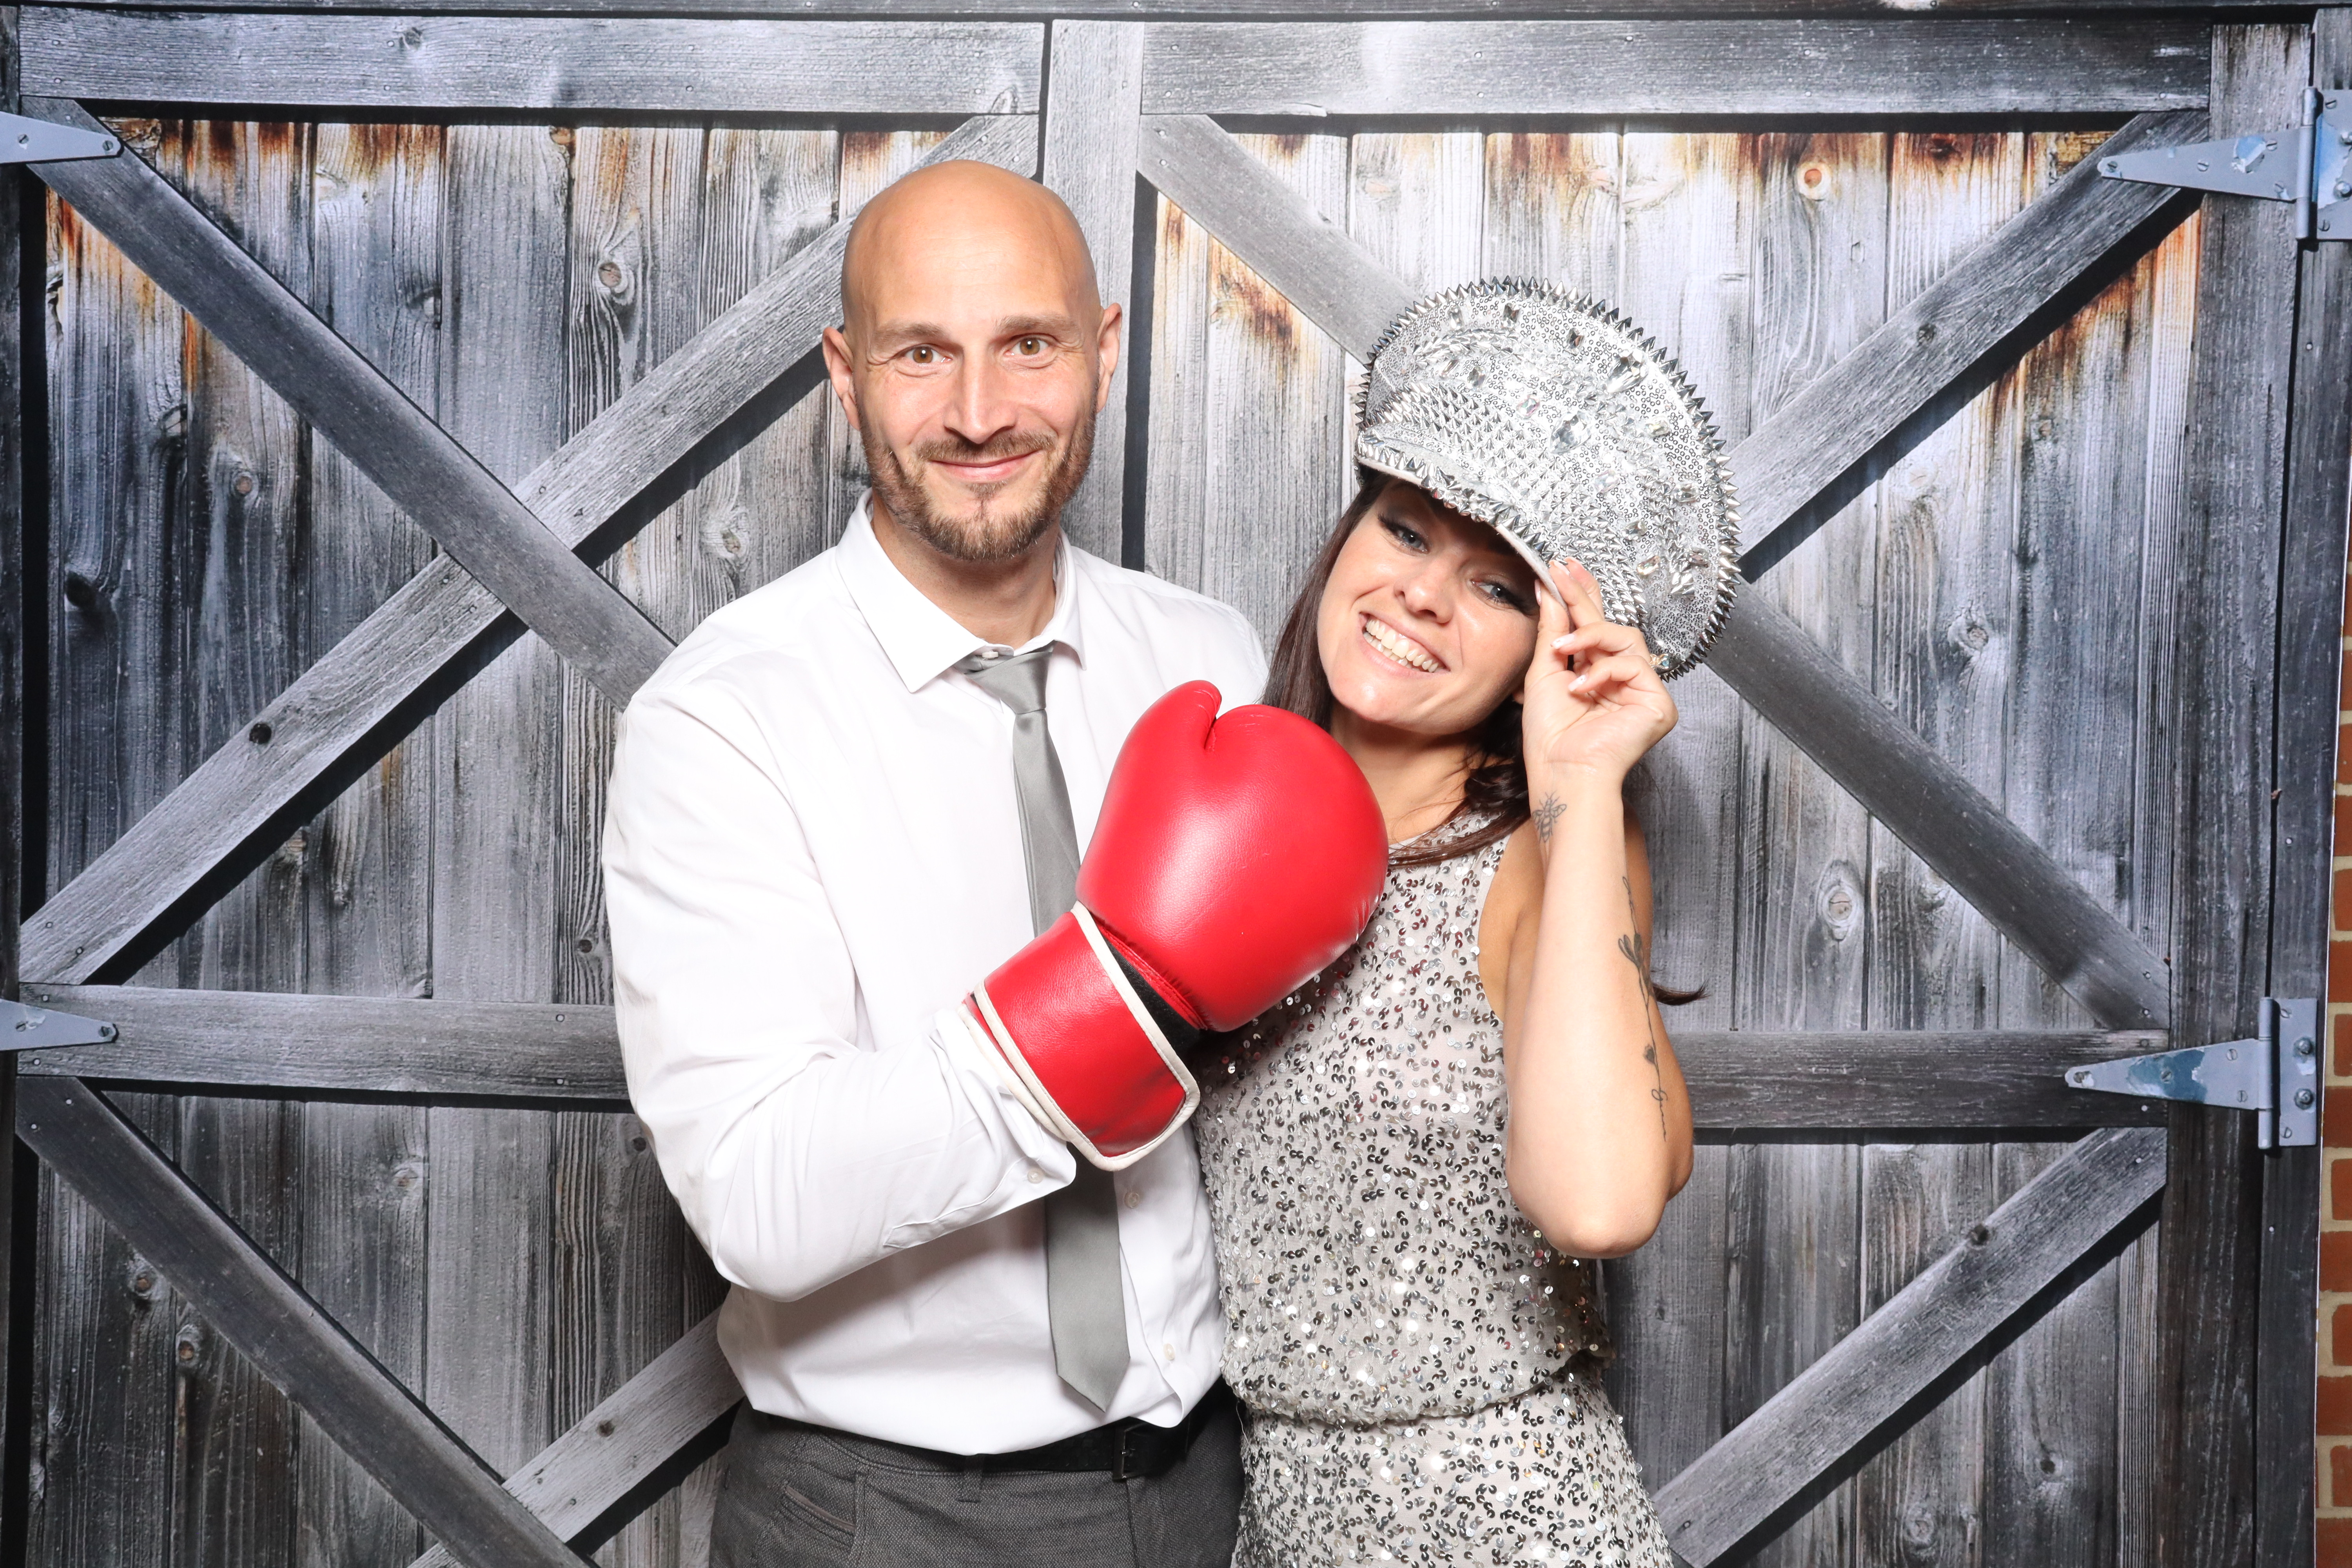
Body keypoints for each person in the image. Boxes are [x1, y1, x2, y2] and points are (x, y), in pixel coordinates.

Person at [601, 160, 1269, 1566]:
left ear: (1103, 350)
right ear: (846, 375)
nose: (978, 412)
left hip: (1202, 1487)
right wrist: (1114, 1012)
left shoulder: (1208, 659)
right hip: (881, 1514)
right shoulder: (725, 718)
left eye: (1029, 343)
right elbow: (762, 1196)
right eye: (921, 353)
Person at [1190, 280, 1740, 1567]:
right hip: (1282, 1520)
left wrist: (1581, 785)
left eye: (1497, 586)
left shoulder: (1540, 859)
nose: (1423, 596)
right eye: (1404, 529)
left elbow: (1601, 1202)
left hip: (1506, 1522)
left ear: (1546, 648)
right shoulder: (1230, 826)